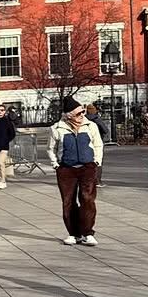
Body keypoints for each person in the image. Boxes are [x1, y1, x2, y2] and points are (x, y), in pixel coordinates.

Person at [47, 96, 103, 246]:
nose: (82, 115)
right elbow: (51, 148)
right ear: (69, 115)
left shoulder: (91, 126)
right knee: (68, 201)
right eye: (79, 113)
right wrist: (56, 164)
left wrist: (96, 162)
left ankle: (88, 233)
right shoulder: (57, 128)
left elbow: (98, 144)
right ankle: (73, 233)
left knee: (87, 199)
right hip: (66, 169)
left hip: (87, 168)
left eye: (83, 112)